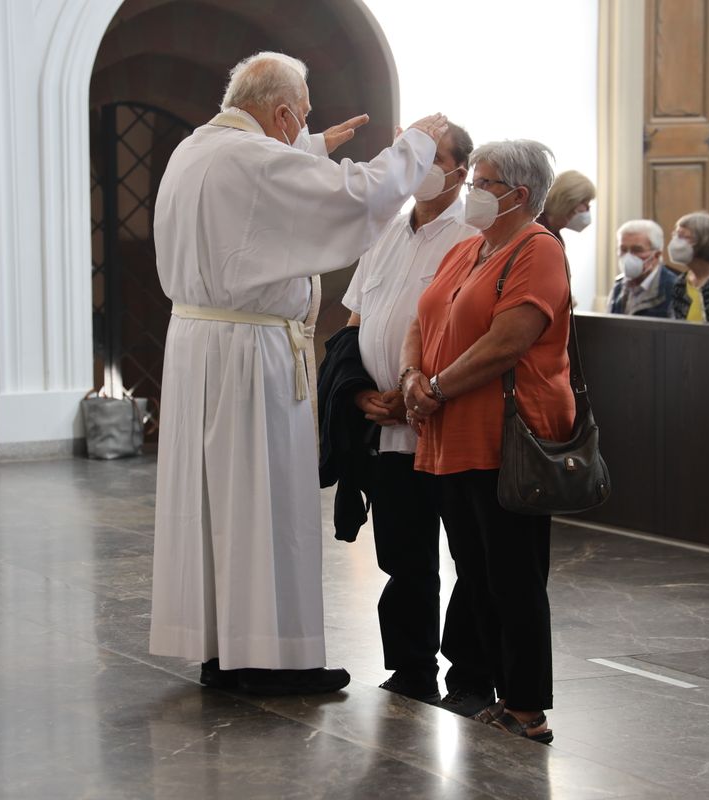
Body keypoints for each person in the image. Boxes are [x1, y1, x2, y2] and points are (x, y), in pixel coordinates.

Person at [149, 50, 449, 695]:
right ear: (280, 111)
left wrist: (307, 145)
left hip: (200, 347)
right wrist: (419, 142)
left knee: (214, 505)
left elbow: (258, 201)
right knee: (262, 502)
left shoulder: (195, 151)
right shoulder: (256, 159)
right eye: (300, 118)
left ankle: (222, 648)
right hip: (249, 355)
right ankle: (272, 657)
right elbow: (356, 196)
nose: (302, 128)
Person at [399, 139, 570, 743]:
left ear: (519, 195)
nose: (470, 191)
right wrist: (412, 377)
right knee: (475, 571)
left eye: (483, 182)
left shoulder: (538, 249)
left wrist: (437, 387)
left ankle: (526, 707)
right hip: (451, 434)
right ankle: (493, 689)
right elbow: (423, 317)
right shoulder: (470, 248)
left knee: (514, 575)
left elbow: (509, 341)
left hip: (507, 438)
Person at [338, 123, 477, 704]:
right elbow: (353, 324)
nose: (421, 168)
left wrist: (414, 388)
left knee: (469, 557)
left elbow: (469, 330)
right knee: (401, 554)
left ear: (461, 171)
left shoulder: (472, 234)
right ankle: (411, 666)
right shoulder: (387, 232)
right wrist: (357, 392)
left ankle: (470, 674)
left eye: (434, 159)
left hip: (443, 422)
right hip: (385, 429)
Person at [607, 219, 678, 317]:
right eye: (623, 249)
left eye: (637, 250)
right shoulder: (619, 286)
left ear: (656, 255)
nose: (628, 256)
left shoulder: (674, 289)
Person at [536, 169, 595, 245]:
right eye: (585, 203)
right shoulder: (537, 233)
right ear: (567, 201)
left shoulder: (555, 236)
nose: (588, 209)